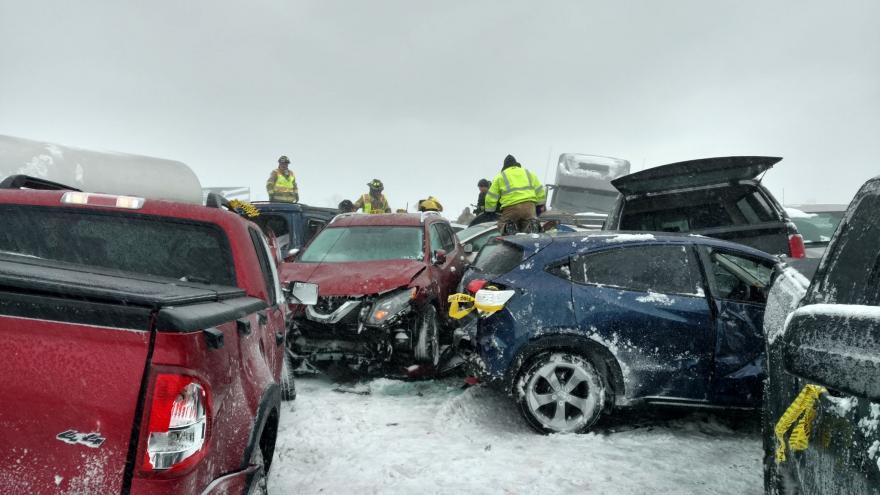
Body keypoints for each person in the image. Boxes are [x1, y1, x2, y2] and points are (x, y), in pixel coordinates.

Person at [484, 154, 546, 233]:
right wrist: (539, 207)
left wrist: (490, 212)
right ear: (516, 164)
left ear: (505, 166)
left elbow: (490, 197)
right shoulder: (529, 173)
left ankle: (508, 227)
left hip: (511, 208)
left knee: (502, 224)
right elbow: (540, 191)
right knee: (528, 230)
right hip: (529, 207)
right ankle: (531, 226)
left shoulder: (500, 176)